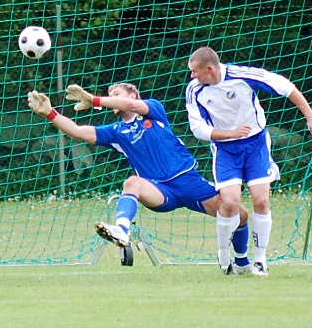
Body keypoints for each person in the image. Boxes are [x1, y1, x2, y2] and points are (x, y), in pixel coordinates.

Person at [28, 83, 254, 274]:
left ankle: (242, 264)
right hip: (158, 190)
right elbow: (77, 131)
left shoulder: (154, 109)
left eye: (115, 94)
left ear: (133, 95)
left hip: (188, 181)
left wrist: (95, 99)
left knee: (240, 213)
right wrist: (50, 113)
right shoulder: (115, 131)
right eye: (110, 95)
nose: (112, 98)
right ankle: (122, 231)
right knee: (132, 182)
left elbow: (129, 106)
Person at [186, 47, 312, 276]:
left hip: (255, 145)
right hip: (225, 150)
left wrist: (310, 116)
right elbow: (198, 129)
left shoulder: (242, 76)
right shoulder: (194, 90)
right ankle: (223, 253)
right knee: (230, 203)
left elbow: (286, 86)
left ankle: (260, 260)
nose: (192, 76)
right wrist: (230, 133)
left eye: (194, 71)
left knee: (261, 201)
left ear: (209, 69)